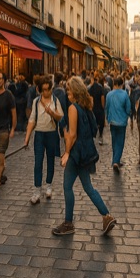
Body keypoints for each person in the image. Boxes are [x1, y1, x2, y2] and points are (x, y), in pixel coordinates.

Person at [53, 77, 116, 236]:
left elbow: (73, 134)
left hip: (76, 153)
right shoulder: (86, 106)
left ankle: (68, 224)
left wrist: (67, 153)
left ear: (75, 91)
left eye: (69, 90)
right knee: (88, 187)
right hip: (86, 152)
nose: (67, 93)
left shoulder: (73, 108)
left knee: (68, 187)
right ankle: (106, 216)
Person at [24, 75, 63, 204]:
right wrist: (27, 138)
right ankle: (36, 190)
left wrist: (52, 113)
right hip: (39, 134)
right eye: (44, 90)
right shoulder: (36, 102)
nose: (46, 92)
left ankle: (49, 186)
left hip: (51, 134)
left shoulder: (55, 100)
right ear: (39, 90)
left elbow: (60, 117)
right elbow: (31, 121)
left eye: (48, 89)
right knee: (38, 162)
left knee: (50, 161)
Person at [106, 77, 132, 173]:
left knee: (114, 141)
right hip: (121, 122)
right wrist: (127, 116)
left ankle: (115, 160)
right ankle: (116, 161)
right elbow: (128, 108)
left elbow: (107, 107)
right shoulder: (125, 94)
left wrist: (107, 118)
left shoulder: (109, 94)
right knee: (120, 142)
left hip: (112, 121)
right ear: (121, 84)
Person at [88, 71, 107, 145]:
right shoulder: (100, 88)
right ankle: (100, 136)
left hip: (93, 108)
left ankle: (93, 136)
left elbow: (90, 99)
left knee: (93, 122)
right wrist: (103, 107)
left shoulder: (90, 88)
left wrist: (90, 107)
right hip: (99, 108)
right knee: (101, 123)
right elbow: (102, 98)